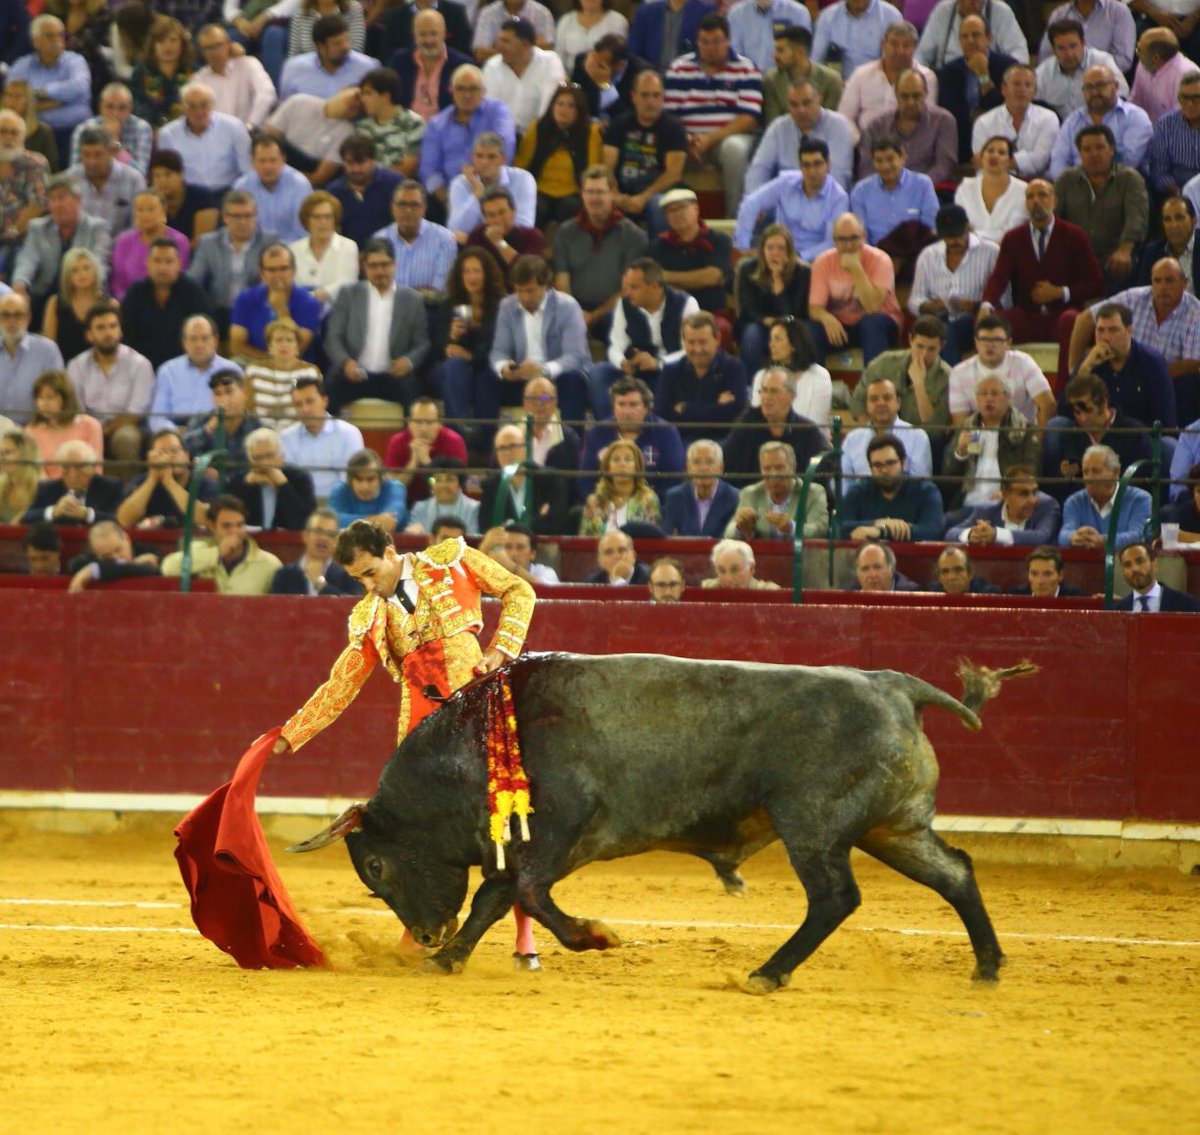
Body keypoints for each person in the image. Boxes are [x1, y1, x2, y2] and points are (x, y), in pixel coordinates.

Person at [979, 180, 1105, 383]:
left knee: (1071, 322)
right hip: (1028, 315)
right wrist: (986, 305)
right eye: (1030, 197)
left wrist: (1061, 292)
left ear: (1054, 201)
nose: (1036, 201)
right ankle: (998, 388)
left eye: (1042, 195)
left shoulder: (1074, 235)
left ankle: (1065, 392)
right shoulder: (1013, 238)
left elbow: (1096, 284)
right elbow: (998, 278)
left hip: (1062, 314)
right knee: (994, 325)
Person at [663, 13, 762, 215]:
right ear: (697, 42)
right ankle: (671, 215)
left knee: (735, 150)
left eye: (716, 41)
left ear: (728, 40)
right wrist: (685, 139)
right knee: (667, 143)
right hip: (687, 140)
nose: (710, 48)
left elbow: (749, 118)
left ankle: (736, 217)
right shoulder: (678, 68)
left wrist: (709, 140)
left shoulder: (746, 69)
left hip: (726, 140)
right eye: (704, 42)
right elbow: (668, 116)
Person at [1069, 271, 1194, 427]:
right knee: (1058, 424)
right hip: (1095, 433)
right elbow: (1064, 411)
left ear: (1129, 331)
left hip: (1139, 435)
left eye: (1113, 330)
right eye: (1100, 330)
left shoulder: (1152, 362)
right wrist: (1084, 370)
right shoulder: (1089, 361)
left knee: (1167, 441)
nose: (1105, 337)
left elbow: (1166, 421)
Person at [324, 239, 431, 413]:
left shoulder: (412, 299)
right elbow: (333, 337)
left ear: (394, 265)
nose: (380, 271)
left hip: (393, 375)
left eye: (385, 264)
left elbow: (422, 342)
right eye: (373, 266)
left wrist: (408, 361)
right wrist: (346, 363)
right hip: (354, 373)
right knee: (330, 387)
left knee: (413, 391)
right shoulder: (349, 294)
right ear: (365, 267)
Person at [489, 254, 591, 425]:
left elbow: (575, 355)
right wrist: (505, 368)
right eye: (519, 290)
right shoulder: (507, 306)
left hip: (556, 383)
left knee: (573, 380)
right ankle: (488, 438)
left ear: (545, 286)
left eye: (530, 290)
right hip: (521, 382)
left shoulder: (567, 306)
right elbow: (499, 351)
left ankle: (570, 439)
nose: (524, 297)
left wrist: (543, 371)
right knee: (487, 379)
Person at [553, 163, 649, 336]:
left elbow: (629, 289)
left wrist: (593, 317)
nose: (594, 198)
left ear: (613, 193)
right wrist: (574, 315)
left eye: (600, 192)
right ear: (582, 194)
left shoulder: (634, 236)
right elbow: (562, 281)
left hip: (614, 312)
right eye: (590, 192)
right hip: (574, 310)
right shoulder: (565, 232)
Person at [418, 63, 517, 220]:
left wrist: (482, 187)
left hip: (495, 188)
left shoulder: (498, 111)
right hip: (451, 193)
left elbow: (503, 149)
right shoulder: (436, 125)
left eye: (473, 89)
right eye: (461, 89)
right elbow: (429, 170)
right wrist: (449, 200)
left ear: (484, 90)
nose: (467, 95)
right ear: (451, 90)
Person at [66, 299, 154, 474]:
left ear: (120, 331)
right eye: (101, 328)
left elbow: (135, 413)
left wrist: (104, 430)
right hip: (87, 426)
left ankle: (129, 490)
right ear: (89, 335)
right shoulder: (76, 366)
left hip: (127, 426)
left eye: (113, 326)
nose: (108, 333)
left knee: (126, 438)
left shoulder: (140, 364)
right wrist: (93, 430)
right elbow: (76, 409)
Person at [909, 204, 1001, 365]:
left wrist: (974, 306)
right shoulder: (928, 255)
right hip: (939, 318)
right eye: (947, 237)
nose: (953, 241)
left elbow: (1003, 298)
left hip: (976, 320)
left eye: (958, 235)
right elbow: (914, 299)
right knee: (928, 331)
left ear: (968, 228)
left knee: (950, 332)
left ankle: (948, 379)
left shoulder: (990, 252)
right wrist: (929, 306)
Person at [805, 212, 902, 367]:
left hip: (880, 324)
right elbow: (815, 308)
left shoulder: (881, 260)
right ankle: (817, 381)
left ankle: (875, 381)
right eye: (842, 239)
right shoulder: (822, 262)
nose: (848, 245)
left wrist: (856, 269)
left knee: (871, 323)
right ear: (834, 240)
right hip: (840, 327)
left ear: (864, 236)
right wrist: (827, 318)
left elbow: (872, 307)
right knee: (811, 330)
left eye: (854, 238)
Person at [943, 371, 1043, 517]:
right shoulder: (967, 428)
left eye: (995, 393)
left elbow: (1031, 471)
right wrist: (960, 453)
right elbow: (947, 479)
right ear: (977, 399)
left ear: (1008, 397)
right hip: (968, 504)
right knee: (945, 524)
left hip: (1003, 505)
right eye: (983, 394)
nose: (988, 398)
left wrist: (1009, 493)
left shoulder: (1024, 431)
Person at [735, 140, 848, 270]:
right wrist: (743, 246)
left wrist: (798, 257)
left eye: (817, 164)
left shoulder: (839, 198)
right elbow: (750, 204)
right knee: (745, 268)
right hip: (777, 252)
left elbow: (831, 243)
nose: (812, 171)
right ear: (800, 166)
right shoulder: (785, 183)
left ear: (828, 164)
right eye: (806, 165)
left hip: (813, 262)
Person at [849, 317, 953, 452]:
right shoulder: (884, 362)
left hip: (920, 443)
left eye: (931, 349)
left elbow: (934, 429)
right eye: (920, 346)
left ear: (941, 346)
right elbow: (857, 402)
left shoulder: (947, 377)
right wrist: (874, 434)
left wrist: (919, 385)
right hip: (878, 437)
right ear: (910, 340)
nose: (924, 354)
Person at [601, 69, 688, 232]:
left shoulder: (674, 128)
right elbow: (607, 168)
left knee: (657, 204)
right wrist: (615, 195)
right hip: (623, 190)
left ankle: (659, 247)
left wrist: (643, 197)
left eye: (656, 95)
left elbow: (673, 174)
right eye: (645, 95)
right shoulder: (619, 124)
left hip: (657, 192)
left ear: (663, 97)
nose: (651, 101)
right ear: (634, 97)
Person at [11, 174, 112, 312]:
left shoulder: (96, 228)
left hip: (79, 294)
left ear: (77, 200)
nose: (57, 204)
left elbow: (99, 261)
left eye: (62, 198)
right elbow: (27, 260)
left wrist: (96, 287)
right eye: (52, 199)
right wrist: (20, 284)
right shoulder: (38, 227)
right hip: (42, 296)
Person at [848, 134, 940, 285]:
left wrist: (900, 258)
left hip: (914, 256)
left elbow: (929, 227)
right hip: (875, 258)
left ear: (903, 156)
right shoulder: (861, 191)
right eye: (879, 161)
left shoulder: (922, 184)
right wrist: (881, 260)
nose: (885, 166)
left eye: (890, 159)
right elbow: (861, 234)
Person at [578, 375, 686, 500]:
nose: (627, 411)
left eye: (633, 405)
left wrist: (648, 504)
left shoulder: (666, 432)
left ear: (646, 408)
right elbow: (586, 479)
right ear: (613, 407)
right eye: (621, 404)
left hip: (652, 504)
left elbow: (673, 480)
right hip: (607, 504)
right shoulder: (596, 433)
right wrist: (601, 502)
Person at [187, 191, 279, 334]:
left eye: (247, 216)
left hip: (257, 312)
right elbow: (193, 281)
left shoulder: (270, 241)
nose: (242, 222)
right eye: (236, 216)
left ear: (256, 216)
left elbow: (275, 282)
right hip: (218, 313)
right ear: (225, 217)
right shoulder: (208, 243)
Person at [514, 82, 603, 228]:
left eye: (571, 106)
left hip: (573, 192)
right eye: (560, 104)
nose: (564, 109)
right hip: (540, 189)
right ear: (552, 106)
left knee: (570, 207)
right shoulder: (538, 128)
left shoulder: (590, 133)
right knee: (536, 208)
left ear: (579, 111)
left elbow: (592, 171)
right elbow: (521, 163)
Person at [746, 80, 855, 197]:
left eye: (807, 103)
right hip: (785, 198)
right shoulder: (778, 128)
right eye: (794, 105)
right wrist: (755, 200)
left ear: (819, 99)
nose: (801, 110)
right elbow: (758, 170)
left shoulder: (838, 125)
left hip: (826, 199)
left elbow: (838, 176)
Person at [948, 314, 1055, 429]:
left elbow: (1048, 404)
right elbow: (961, 422)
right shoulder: (959, 373)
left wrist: (1038, 437)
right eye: (984, 339)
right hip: (978, 435)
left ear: (1008, 343)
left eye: (997, 340)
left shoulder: (1023, 362)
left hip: (1022, 434)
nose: (990, 345)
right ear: (976, 343)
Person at [161, 493, 283, 594]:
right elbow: (168, 568)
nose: (235, 532)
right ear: (212, 526)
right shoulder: (198, 550)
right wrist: (217, 553)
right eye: (227, 526)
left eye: (240, 525)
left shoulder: (269, 563)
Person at [1049, 70, 1153, 186]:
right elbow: (1058, 161)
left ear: (1115, 86)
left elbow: (1130, 160)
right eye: (1089, 87)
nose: (1094, 92)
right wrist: (1070, 185)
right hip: (1077, 186)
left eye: (1100, 85)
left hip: (1123, 185)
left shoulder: (1135, 116)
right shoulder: (1073, 120)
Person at [655, 310, 749, 440]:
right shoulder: (670, 371)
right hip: (681, 440)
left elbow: (733, 412)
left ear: (717, 339)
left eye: (703, 342)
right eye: (691, 342)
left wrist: (685, 408)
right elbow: (662, 414)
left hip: (721, 441)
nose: (697, 349)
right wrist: (716, 406)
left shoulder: (734, 368)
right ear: (684, 342)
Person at [723, 365, 827, 481]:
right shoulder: (748, 421)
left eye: (774, 391)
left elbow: (821, 473)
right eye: (764, 390)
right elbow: (726, 461)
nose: (767, 397)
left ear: (792, 396)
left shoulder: (807, 430)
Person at [120, 237, 210, 371]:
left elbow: (203, 334)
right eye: (157, 261)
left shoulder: (193, 292)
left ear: (179, 264)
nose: (163, 267)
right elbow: (127, 335)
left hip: (185, 367)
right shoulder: (136, 293)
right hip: (142, 368)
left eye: (169, 261)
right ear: (147, 263)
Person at [936, 14, 1017, 164]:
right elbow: (949, 110)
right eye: (964, 36)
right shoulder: (950, 71)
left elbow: (1006, 107)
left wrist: (983, 75)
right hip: (962, 138)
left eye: (976, 35)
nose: (970, 40)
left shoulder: (1007, 67)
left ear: (989, 38)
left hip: (1001, 135)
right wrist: (976, 115)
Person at [856, 71, 958, 188]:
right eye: (904, 96)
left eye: (916, 96)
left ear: (926, 93)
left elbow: (945, 165)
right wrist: (889, 188)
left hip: (928, 191)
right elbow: (866, 167)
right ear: (896, 95)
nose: (911, 102)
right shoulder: (876, 126)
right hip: (883, 190)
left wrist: (916, 186)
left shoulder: (943, 121)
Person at [156, 82, 253, 200]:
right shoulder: (167, 134)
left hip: (229, 193)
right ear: (183, 107)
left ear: (212, 105)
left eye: (204, 105)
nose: (199, 111)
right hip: (188, 197)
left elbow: (247, 169)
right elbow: (167, 176)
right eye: (192, 106)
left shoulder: (234, 127)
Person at [837, 19, 936, 135]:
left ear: (915, 47)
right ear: (883, 45)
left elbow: (927, 120)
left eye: (906, 45)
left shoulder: (927, 77)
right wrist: (860, 141)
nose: (900, 51)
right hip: (864, 140)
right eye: (894, 44)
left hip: (909, 141)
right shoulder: (861, 74)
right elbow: (845, 117)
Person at [1056, 372, 1152, 491]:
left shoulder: (1134, 433)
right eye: (1077, 412)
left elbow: (1143, 478)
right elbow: (1058, 487)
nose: (1082, 418)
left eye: (1088, 410)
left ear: (1103, 403)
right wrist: (1064, 474)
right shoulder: (1070, 434)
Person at [8, 14, 92, 150]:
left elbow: (80, 88)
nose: (57, 40)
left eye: (60, 35)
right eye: (50, 36)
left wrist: (42, 93)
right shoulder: (21, 65)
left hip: (72, 131)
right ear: (36, 41)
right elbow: (13, 98)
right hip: (32, 134)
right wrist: (61, 101)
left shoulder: (76, 61)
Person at [841, 432, 946, 540]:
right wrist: (877, 523)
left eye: (890, 463)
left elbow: (932, 530)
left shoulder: (926, 490)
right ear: (870, 468)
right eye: (877, 465)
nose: (884, 470)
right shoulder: (858, 491)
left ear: (903, 463)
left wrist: (882, 531)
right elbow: (839, 527)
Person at [229, 243, 323, 362]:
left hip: (295, 365)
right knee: (236, 362)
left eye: (283, 269)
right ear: (262, 274)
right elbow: (237, 346)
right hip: (255, 362)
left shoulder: (308, 301)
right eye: (271, 270)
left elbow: (299, 349)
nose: (278, 275)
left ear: (294, 271)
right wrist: (269, 364)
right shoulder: (246, 298)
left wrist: (281, 309)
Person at [647, 187, 733, 316]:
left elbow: (712, 277)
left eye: (682, 207)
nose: (677, 214)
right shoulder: (658, 246)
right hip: (671, 313)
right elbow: (654, 284)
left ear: (696, 209)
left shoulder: (720, 240)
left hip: (711, 313)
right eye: (671, 211)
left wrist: (667, 276)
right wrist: (697, 279)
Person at [280, 377, 365, 500]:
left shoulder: (349, 434)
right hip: (302, 506)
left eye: (310, 401)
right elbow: (289, 484)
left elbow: (350, 482)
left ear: (325, 401)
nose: (305, 410)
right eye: (298, 404)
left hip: (339, 504)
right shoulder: (287, 437)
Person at [726, 438, 828, 539]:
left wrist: (791, 527)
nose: (773, 474)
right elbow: (729, 533)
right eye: (767, 469)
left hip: (799, 550)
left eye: (779, 467)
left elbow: (820, 530)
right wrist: (740, 527)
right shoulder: (750, 493)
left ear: (793, 468)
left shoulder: (813, 493)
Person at [478, 422, 570, 533]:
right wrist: (534, 522)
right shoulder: (490, 486)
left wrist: (509, 527)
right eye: (502, 448)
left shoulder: (550, 480)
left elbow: (556, 525)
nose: (508, 453)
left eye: (513, 446)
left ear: (526, 448)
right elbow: (486, 528)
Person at [842, 375, 935, 484]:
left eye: (887, 398)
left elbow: (920, 486)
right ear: (866, 405)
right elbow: (843, 485)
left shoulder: (918, 437)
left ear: (898, 403)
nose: (881, 403)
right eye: (874, 399)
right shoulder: (852, 440)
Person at [971, 64, 1059, 179]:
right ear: (1004, 89)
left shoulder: (1049, 118)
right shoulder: (983, 122)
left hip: (1036, 185)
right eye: (1016, 84)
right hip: (995, 183)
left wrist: (994, 161)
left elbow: (1041, 160)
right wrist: (1023, 160)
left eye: (1028, 85)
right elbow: (980, 163)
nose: (1022, 90)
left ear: (1035, 92)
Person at [481, 17, 568, 134]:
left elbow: (549, 108)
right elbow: (490, 111)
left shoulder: (550, 62)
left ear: (525, 44)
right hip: (500, 136)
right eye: (499, 40)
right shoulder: (492, 66)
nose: (498, 46)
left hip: (541, 134)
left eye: (506, 41)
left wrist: (531, 137)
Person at [373, 179, 459, 296]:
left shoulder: (444, 239)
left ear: (424, 208)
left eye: (414, 205)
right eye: (402, 204)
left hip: (430, 306)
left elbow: (440, 291)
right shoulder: (379, 240)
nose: (408, 210)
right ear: (392, 207)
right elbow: (378, 286)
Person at [386, 8, 475, 121]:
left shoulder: (462, 65)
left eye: (434, 34)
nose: (428, 40)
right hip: (405, 128)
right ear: (414, 36)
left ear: (444, 34)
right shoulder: (399, 61)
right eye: (423, 34)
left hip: (446, 128)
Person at [118, 425, 216, 527]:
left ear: (187, 456)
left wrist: (169, 482)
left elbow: (206, 518)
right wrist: (152, 479)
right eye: (161, 453)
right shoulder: (141, 482)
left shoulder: (205, 484)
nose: (169, 457)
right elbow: (124, 520)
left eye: (174, 450)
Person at [447, 131, 536, 241]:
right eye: (479, 156)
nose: (484, 162)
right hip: (475, 246)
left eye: (491, 157)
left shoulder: (523, 179)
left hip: (510, 242)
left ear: (503, 159)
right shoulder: (460, 183)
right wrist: (478, 192)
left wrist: (484, 235)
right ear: (472, 158)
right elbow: (456, 228)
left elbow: (524, 226)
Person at [1058, 443, 1152, 547]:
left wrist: (1102, 540)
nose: (1089, 478)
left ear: (1115, 472)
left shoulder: (1140, 499)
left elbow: (1138, 536)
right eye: (1085, 472)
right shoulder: (1074, 502)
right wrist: (1074, 537)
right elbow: (1063, 536)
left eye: (1096, 471)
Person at [225, 427, 317, 530]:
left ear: (282, 456)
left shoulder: (300, 478)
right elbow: (229, 519)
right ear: (250, 461)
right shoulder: (239, 480)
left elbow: (304, 523)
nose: (265, 463)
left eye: (270, 456)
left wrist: (283, 485)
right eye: (257, 458)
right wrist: (247, 485)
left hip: (289, 539)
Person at [1035, 18, 1127, 121]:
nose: (1069, 54)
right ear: (1053, 49)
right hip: (1061, 127)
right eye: (1061, 48)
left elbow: (1122, 94)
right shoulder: (1043, 73)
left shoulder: (1103, 62)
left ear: (1083, 43)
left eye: (1073, 46)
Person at [946, 464, 1062, 545]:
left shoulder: (1047, 506)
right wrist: (971, 534)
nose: (1033, 500)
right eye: (1024, 494)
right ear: (1006, 495)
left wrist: (996, 535)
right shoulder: (986, 510)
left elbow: (1041, 537)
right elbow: (951, 534)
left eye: (1034, 492)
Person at [384, 395, 469, 505]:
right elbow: (393, 489)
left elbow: (451, 490)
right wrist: (413, 463)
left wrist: (427, 463)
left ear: (440, 423)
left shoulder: (454, 442)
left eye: (429, 423)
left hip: (445, 504)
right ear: (409, 423)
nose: (423, 429)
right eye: (418, 422)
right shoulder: (397, 441)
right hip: (406, 503)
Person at [242, 318, 322, 429]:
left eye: (289, 340)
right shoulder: (254, 370)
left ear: (297, 346)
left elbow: (316, 409)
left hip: (299, 432)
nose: (284, 345)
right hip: (261, 432)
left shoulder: (310, 372)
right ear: (270, 346)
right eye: (279, 340)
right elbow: (248, 409)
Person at [21, 438, 122, 524]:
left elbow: (120, 520)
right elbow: (26, 519)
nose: (73, 474)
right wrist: (54, 511)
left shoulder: (110, 487)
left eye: (79, 467)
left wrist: (88, 515)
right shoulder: (47, 488)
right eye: (66, 467)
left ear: (93, 467)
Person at [0, 291, 65, 424]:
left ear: (28, 318)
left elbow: (59, 396)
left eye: (18, 315)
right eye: (5, 315)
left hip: (38, 428)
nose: (11, 321)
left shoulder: (48, 351)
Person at [233, 135, 311, 246]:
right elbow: (238, 230)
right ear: (252, 162)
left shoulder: (300, 185)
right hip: (254, 251)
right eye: (262, 161)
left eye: (273, 160)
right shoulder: (241, 187)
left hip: (293, 250)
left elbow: (303, 232)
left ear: (283, 160)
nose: (268, 167)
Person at [193, 23, 275, 129]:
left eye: (218, 45)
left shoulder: (248, 64)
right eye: (208, 48)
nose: (214, 52)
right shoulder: (199, 80)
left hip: (253, 131)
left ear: (228, 44)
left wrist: (250, 125)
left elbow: (267, 94)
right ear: (202, 52)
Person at [327, 137, 404, 249]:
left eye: (361, 162)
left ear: (373, 160)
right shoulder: (334, 192)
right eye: (350, 163)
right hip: (350, 254)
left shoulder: (395, 184)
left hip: (392, 252)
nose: (356, 169)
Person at [278, 14, 375, 101]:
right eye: (337, 43)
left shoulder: (368, 67)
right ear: (321, 47)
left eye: (347, 40)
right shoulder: (294, 68)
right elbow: (286, 108)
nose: (345, 47)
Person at [25, 368, 103, 476]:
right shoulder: (31, 431)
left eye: (50, 397)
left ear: (65, 399)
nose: (43, 403)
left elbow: (96, 470)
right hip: (46, 485)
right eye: (40, 398)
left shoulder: (90, 426)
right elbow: (33, 473)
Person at [182, 368, 262, 473]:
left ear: (244, 393)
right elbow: (183, 450)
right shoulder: (201, 421)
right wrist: (207, 430)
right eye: (217, 394)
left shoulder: (257, 427)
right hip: (207, 483)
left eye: (229, 392)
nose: (224, 399)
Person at [288, 191, 361, 306]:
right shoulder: (293, 250)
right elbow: (290, 286)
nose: (323, 222)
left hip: (338, 309)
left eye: (327, 217)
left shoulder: (348, 246)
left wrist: (311, 297)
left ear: (335, 220)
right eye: (316, 217)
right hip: (301, 309)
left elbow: (346, 284)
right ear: (307, 220)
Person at [464, 186, 545, 288]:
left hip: (520, 292)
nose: (498, 219)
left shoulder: (532, 236)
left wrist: (499, 242)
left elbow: (528, 273)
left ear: (513, 211)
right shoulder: (477, 236)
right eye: (491, 215)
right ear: (485, 219)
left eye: (502, 212)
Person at [578, 436, 663, 534]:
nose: (622, 464)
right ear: (608, 467)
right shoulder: (594, 502)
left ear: (637, 467)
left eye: (628, 459)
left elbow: (652, 537)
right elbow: (584, 538)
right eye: (616, 460)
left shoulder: (648, 500)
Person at [270, 507, 362, 596]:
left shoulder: (349, 576)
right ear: (306, 536)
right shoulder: (284, 576)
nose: (324, 538)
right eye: (318, 531)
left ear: (335, 541)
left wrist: (320, 584)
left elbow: (354, 605)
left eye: (330, 534)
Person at [954, 136, 1028, 247]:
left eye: (1001, 152)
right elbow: (961, 227)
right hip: (969, 250)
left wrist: (977, 238)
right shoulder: (965, 187)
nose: (994, 156)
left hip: (1008, 250)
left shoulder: (1023, 190)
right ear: (981, 157)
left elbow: (1013, 232)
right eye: (990, 151)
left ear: (1009, 161)